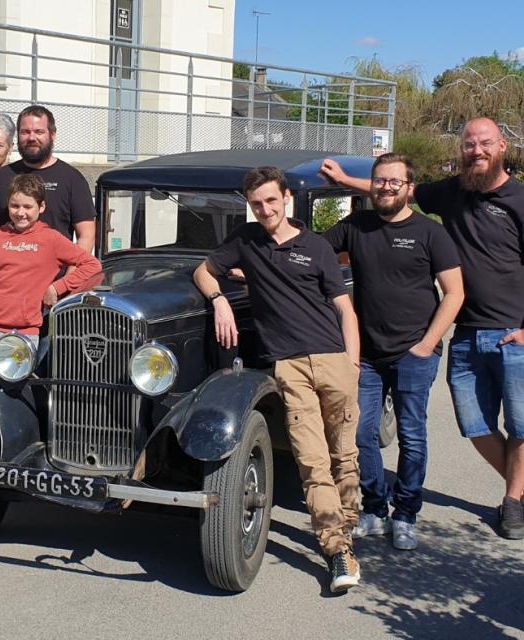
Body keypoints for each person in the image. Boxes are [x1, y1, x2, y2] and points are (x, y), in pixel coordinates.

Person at [321, 117, 524, 539]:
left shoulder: (518, 201)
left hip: (511, 330)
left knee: (519, 425)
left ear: (502, 146)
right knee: (474, 424)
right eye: (469, 144)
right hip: (466, 332)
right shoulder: (452, 193)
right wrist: (345, 179)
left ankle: (513, 501)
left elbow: (450, 286)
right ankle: (379, 507)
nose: (476, 150)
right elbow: (393, 190)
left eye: (484, 143)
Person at [193, 166, 362, 593]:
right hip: (288, 365)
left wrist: (352, 365)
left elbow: (344, 309)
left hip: (333, 359)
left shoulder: (317, 247)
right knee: (312, 458)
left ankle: (350, 520)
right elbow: (203, 271)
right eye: (256, 204)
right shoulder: (245, 242)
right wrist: (219, 302)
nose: (265, 209)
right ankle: (337, 549)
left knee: (344, 453)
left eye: (271, 200)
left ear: (285, 198)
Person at [323, 153, 464, 550]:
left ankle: (406, 513)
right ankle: (374, 509)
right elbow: (312, 254)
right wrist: (256, 264)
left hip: (414, 353)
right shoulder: (355, 226)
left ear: (409, 189)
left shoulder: (430, 234)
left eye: (394, 182)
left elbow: (454, 293)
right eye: (380, 181)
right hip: (367, 354)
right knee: (364, 434)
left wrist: (427, 344)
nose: (386, 187)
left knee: (412, 435)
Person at [0, 174, 102, 349]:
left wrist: (57, 288)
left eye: (28, 207)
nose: (21, 213)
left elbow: (92, 265)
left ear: (41, 206)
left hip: (23, 333)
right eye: (15, 206)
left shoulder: (51, 239)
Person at [0, 104, 96, 268]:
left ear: (52, 134)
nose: (31, 138)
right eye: (25, 132)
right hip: (3, 286)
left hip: (53, 287)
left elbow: (86, 235)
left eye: (39, 132)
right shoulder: (2, 177)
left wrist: (65, 285)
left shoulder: (72, 179)